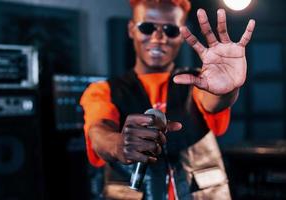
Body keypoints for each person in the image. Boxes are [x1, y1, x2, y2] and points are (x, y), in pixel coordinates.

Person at [80, 0, 255, 199]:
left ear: (181, 36)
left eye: (171, 30)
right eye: (147, 27)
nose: (158, 38)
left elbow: (214, 100)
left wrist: (227, 88)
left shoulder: (199, 81)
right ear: (131, 30)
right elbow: (98, 132)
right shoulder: (103, 90)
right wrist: (118, 144)